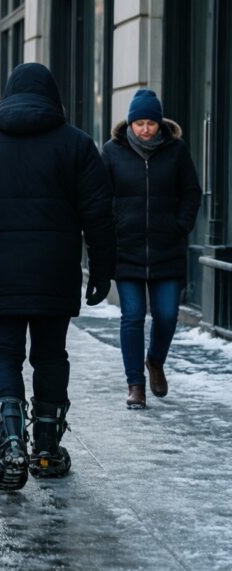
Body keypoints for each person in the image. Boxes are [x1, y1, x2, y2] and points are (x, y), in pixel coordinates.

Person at [0, 63, 115, 491]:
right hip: (55, 273)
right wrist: (104, 270)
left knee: (3, 356)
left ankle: (11, 441)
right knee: (51, 357)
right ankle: (47, 450)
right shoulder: (77, 145)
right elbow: (100, 217)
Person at [102, 89, 201, 409]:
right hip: (127, 248)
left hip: (166, 248)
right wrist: (112, 228)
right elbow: (101, 197)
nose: (145, 129)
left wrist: (179, 226)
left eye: (151, 123)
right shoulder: (112, 152)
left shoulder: (176, 151)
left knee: (168, 315)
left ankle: (155, 361)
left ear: (160, 124)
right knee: (131, 316)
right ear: (130, 123)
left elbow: (191, 192)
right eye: (139, 123)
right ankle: (135, 385)